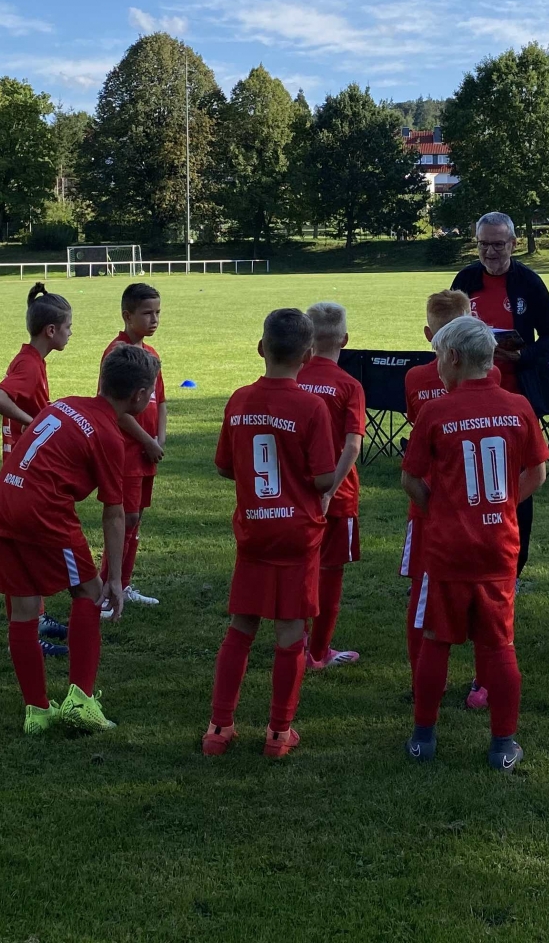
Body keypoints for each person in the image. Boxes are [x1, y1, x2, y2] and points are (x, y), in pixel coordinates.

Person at [400, 316, 549, 770]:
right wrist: (503, 505)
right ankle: (503, 744)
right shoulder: (518, 406)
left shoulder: (436, 411)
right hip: (497, 544)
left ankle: (423, 737)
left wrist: (443, 510)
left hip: (448, 546)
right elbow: (538, 472)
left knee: (435, 640)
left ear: (453, 358)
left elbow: (411, 479)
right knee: (499, 644)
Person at [203, 308, 353, 759]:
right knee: (291, 634)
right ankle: (278, 732)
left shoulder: (239, 399)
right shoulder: (310, 406)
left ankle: (219, 727)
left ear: (261, 348)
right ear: (308, 356)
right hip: (298, 534)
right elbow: (323, 478)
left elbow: (225, 466)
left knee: (240, 628)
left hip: (254, 530)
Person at [0, 345, 155, 734]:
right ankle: (81, 700)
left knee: (24, 608)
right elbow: (114, 512)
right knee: (90, 593)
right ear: (140, 395)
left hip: (4, 500)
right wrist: (114, 579)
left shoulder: (65, 403)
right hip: (42, 509)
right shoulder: (109, 435)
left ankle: (37, 712)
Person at [450, 212, 549, 579]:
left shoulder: (529, 282)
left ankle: (514, 566)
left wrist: (522, 355)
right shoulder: (466, 279)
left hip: (516, 396)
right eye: (483, 244)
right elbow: (450, 329)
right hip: (470, 395)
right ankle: (466, 559)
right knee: (467, 481)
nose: (490, 252)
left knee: (516, 483)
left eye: (498, 244)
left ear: (514, 243)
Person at [402, 289, 501, 699]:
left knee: (422, 596)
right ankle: (483, 682)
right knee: (485, 597)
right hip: (483, 506)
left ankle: (425, 681)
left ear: (431, 336)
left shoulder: (416, 379)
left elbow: (416, 452)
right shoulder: (493, 378)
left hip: (431, 502)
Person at [0, 283, 74, 658]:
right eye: (68, 327)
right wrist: (34, 422)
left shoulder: (32, 360)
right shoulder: (29, 364)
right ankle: (25, 634)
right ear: (50, 330)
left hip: (25, 469)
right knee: (23, 554)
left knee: (30, 549)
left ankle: (36, 618)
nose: (71, 333)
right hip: (22, 473)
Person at [297, 301, 367, 670]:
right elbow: (353, 446)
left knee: (299, 568)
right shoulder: (349, 385)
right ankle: (318, 652)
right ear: (345, 339)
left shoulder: (292, 377)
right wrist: (330, 489)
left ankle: (295, 643)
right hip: (337, 495)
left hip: (294, 491)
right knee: (330, 573)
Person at [103, 283, 166, 610]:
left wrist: (160, 438)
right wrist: (146, 439)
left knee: (136, 518)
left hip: (147, 452)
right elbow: (113, 408)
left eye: (157, 312)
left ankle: (124, 585)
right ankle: (107, 588)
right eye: (147, 313)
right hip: (126, 451)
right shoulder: (117, 354)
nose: (154, 319)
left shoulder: (151, 354)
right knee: (124, 518)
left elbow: (161, 400)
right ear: (127, 315)